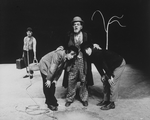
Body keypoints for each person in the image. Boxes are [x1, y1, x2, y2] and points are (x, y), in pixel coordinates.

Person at [62, 16, 101, 107]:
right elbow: (65, 45)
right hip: (72, 61)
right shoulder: (69, 35)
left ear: (81, 26)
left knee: (84, 79)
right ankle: (70, 98)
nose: (76, 26)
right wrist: (61, 47)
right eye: (74, 24)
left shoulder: (86, 35)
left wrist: (94, 44)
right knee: (71, 79)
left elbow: (90, 43)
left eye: (78, 24)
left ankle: (84, 98)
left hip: (83, 60)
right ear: (72, 26)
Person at [84, 45, 126, 110]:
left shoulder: (98, 53)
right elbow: (98, 66)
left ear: (91, 48)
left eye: (87, 49)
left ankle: (111, 103)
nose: (86, 51)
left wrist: (110, 77)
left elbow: (104, 65)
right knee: (105, 81)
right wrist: (102, 75)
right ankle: (106, 100)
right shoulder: (92, 55)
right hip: (110, 66)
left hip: (118, 64)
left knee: (112, 82)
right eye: (85, 50)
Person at [39, 46, 78, 111]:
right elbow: (53, 67)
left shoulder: (66, 58)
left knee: (53, 85)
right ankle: (49, 103)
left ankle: (50, 100)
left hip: (52, 68)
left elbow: (59, 70)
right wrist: (48, 79)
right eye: (72, 54)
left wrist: (55, 79)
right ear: (67, 52)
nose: (72, 57)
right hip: (45, 65)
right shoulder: (58, 55)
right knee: (47, 85)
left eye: (74, 55)